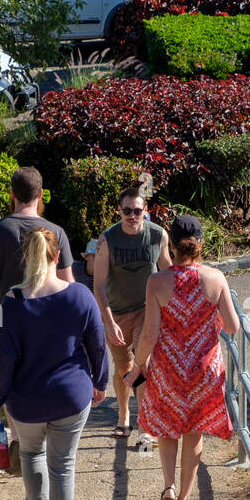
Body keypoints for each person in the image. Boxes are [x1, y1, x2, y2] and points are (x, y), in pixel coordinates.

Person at [0, 228, 108, 500]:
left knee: (31, 455)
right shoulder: (80, 295)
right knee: (62, 465)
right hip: (70, 396)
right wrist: (101, 382)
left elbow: (3, 360)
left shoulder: (10, 302)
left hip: (25, 401)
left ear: (25, 257)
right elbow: (98, 345)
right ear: (57, 257)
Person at [125, 214, 240, 500]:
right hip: (204, 370)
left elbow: (149, 334)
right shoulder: (216, 278)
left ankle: (168, 487)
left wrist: (138, 367)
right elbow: (232, 326)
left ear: (171, 246)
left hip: (168, 369)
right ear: (201, 244)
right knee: (194, 433)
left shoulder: (157, 282)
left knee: (167, 428)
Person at [94, 185, 171, 445]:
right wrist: (108, 321)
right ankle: (123, 414)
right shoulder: (107, 240)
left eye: (137, 211)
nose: (132, 216)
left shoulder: (158, 235)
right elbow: (99, 285)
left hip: (146, 310)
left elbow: (169, 273)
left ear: (144, 211)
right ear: (119, 210)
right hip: (116, 312)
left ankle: (144, 425)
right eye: (126, 211)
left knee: (143, 365)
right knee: (124, 368)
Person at [0, 167, 75, 325]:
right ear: (40, 194)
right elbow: (67, 283)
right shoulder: (57, 232)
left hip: (3, 312)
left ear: (12, 194)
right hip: (46, 314)